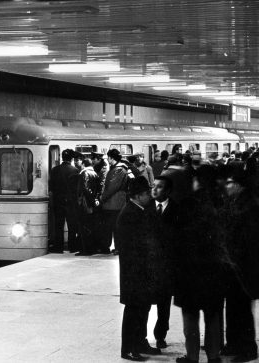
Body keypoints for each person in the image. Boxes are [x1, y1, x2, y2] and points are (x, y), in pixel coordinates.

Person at [174, 165, 228, 363]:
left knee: (190, 317)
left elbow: (179, 239)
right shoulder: (221, 202)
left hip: (190, 271)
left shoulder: (187, 203)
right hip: (214, 271)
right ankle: (214, 356)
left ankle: (192, 356)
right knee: (213, 317)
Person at [222, 164, 259, 362]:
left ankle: (248, 349)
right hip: (235, 266)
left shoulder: (249, 206)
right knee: (233, 308)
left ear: (240, 185)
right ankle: (232, 344)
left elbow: (249, 240)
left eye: (230, 183)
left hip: (245, 267)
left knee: (242, 310)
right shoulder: (238, 201)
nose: (227, 186)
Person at [117, 177, 161, 362]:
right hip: (134, 271)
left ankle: (140, 342)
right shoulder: (129, 214)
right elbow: (129, 245)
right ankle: (128, 348)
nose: (149, 196)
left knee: (143, 308)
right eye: (146, 193)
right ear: (137, 195)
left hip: (142, 270)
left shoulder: (140, 211)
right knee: (133, 310)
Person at [150, 176, 179, 350]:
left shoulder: (176, 209)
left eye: (159, 187)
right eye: (153, 186)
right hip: (150, 262)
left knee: (163, 302)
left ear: (168, 191)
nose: (154, 190)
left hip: (167, 264)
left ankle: (160, 334)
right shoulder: (145, 208)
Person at [49, 149, 79, 253]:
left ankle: (58, 247)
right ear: (71, 159)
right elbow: (76, 188)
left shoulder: (54, 170)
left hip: (58, 201)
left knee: (58, 225)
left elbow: (51, 187)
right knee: (72, 225)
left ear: (62, 157)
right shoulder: (75, 170)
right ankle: (72, 246)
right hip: (70, 202)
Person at [99, 148, 129, 255]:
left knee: (114, 226)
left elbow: (112, 187)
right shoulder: (117, 168)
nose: (108, 160)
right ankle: (116, 247)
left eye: (108, 158)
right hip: (114, 203)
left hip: (114, 203)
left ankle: (118, 248)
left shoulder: (118, 170)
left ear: (112, 158)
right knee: (114, 226)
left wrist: (102, 199)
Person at [76, 158, 100, 255]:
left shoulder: (84, 173)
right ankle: (91, 248)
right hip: (92, 204)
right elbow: (98, 189)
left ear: (83, 164)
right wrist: (95, 199)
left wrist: (89, 199)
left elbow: (85, 189)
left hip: (85, 204)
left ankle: (85, 249)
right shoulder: (95, 173)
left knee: (84, 227)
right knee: (91, 226)